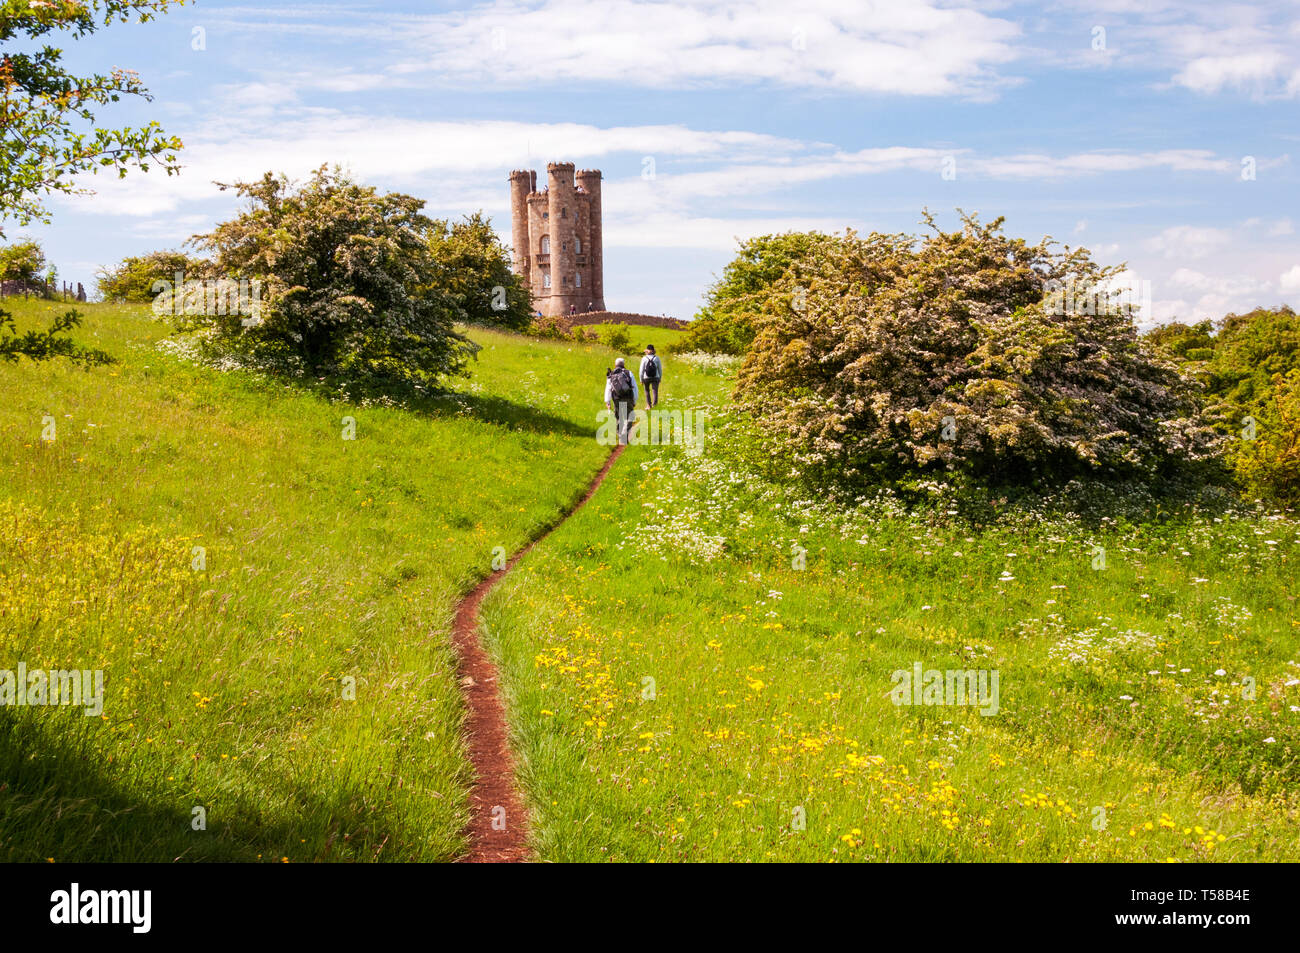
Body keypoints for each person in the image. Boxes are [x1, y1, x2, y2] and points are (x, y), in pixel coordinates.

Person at [604, 357, 638, 445]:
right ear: (623, 364)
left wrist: (607, 401)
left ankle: (620, 435)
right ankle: (624, 436)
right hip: (628, 398)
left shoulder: (611, 375)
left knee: (619, 417)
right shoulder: (628, 373)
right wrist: (634, 400)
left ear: (615, 365)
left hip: (616, 398)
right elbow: (634, 388)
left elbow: (608, 388)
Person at [639, 344, 662, 411]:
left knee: (647, 391)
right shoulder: (657, 358)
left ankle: (648, 405)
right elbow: (660, 369)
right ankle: (655, 405)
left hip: (646, 377)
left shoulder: (644, 358)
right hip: (655, 377)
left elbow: (641, 370)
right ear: (653, 351)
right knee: (655, 391)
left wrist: (641, 379)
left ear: (647, 350)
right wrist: (660, 377)